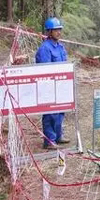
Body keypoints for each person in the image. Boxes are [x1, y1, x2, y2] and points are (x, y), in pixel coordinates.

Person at [36, 17, 70, 150]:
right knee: (50, 113)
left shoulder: (60, 47)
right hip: (49, 86)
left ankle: (58, 136)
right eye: (56, 30)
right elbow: (45, 70)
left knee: (61, 111)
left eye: (59, 29)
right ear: (49, 32)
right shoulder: (45, 48)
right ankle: (49, 141)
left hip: (61, 85)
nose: (59, 32)